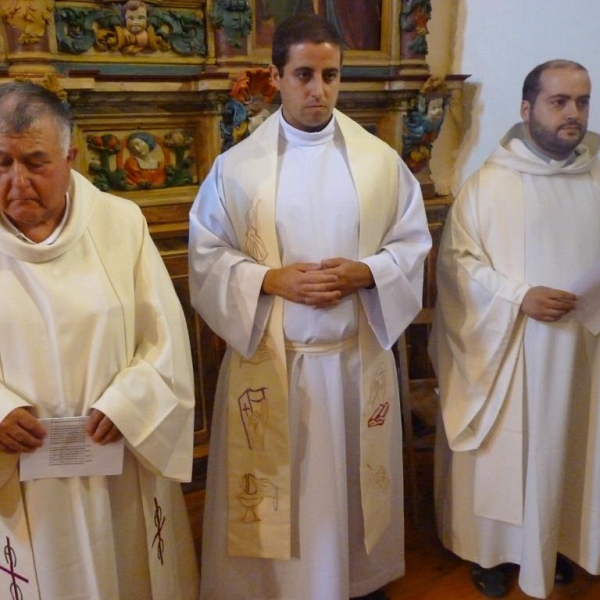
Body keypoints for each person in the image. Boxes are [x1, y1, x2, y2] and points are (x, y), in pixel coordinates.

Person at [188, 13, 431, 600]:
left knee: (349, 496)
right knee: (284, 503)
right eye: (303, 74)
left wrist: (367, 272)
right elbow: (205, 258)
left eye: (330, 75)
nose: (318, 89)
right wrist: (271, 280)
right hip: (276, 367)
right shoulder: (237, 170)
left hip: (353, 366)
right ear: (276, 77)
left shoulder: (378, 163)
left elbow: (412, 244)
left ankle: (357, 583)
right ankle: (274, 588)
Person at [0, 81, 199, 599]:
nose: (17, 181)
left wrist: (129, 403)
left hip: (118, 460)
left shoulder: (119, 224)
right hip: (19, 474)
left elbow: (166, 341)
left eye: (35, 162)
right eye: (1, 163)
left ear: (71, 156)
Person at [430, 59, 600, 598]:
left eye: (582, 101)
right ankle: (490, 553)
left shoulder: (597, 177)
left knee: (569, 451)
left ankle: (553, 542)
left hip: (582, 353)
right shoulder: (488, 185)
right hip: (505, 354)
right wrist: (517, 296)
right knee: (506, 451)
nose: (573, 114)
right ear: (527, 109)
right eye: (559, 102)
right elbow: (457, 266)